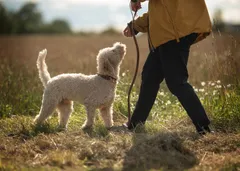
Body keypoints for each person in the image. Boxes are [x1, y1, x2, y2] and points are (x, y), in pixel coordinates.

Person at [123, 0, 213, 135]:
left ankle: (204, 128)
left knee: (177, 83)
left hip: (174, 35)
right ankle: (136, 124)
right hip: (165, 37)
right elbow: (159, 13)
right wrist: (135, 26)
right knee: (149, 78)